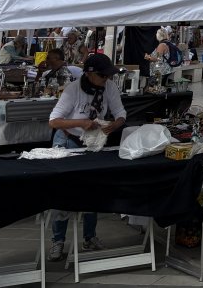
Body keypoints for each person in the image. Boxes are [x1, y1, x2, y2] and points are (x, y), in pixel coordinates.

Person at [47, 54, 128, 260]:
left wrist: (115, 124)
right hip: (68, 140)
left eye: (108, 76)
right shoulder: (73, 90)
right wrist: (81, 123)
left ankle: (89, 237)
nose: (106, 79)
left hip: (92, 142)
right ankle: (58, 240)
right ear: (90, 74)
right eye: (103, 76)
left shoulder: (109, 87)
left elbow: (121, 112)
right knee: (63, 192)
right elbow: (53, 121)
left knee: (93, 189)